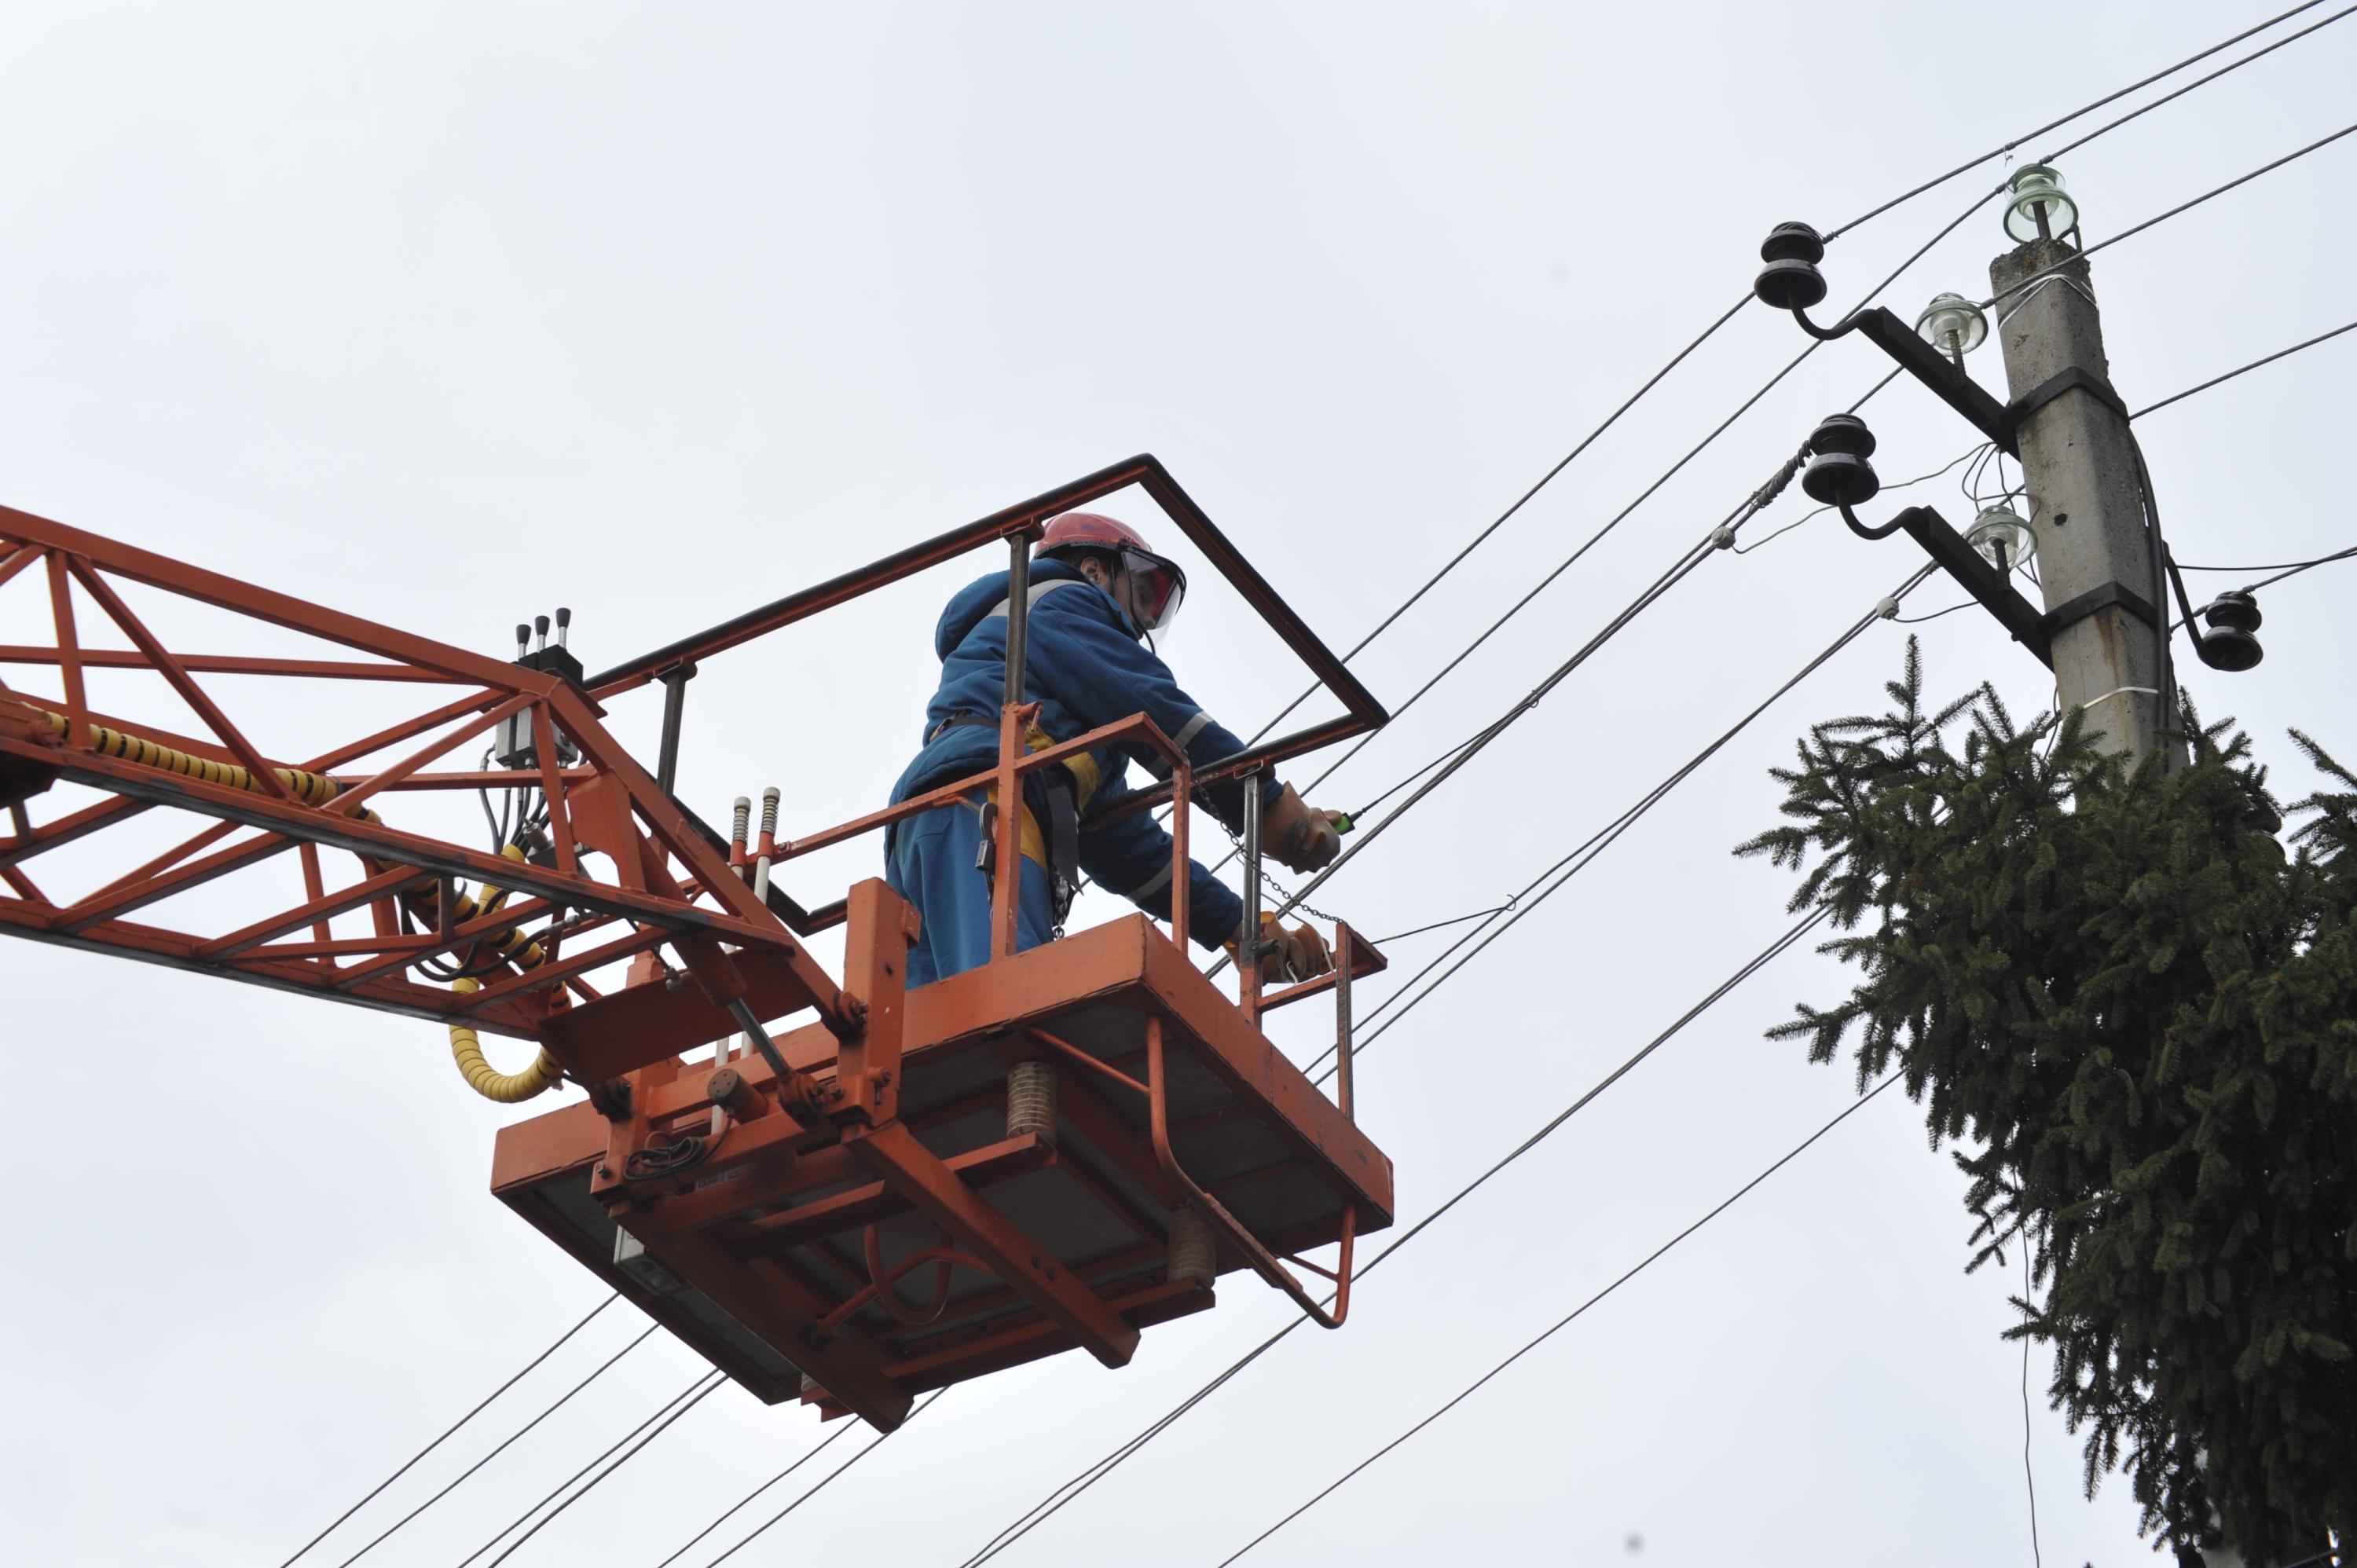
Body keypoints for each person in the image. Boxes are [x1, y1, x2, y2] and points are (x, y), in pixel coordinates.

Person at [883, 510, 1348, 988]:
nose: (1145, 617)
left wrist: (1239, 928)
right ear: (1094, 571)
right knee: (1001, 1007)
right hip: (984, 806)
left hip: (953, 812)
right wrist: (1269, 809)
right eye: (1142, 593)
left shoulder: (1064, 739)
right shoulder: (1060, 603)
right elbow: (1158, 711)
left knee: (929, 1037)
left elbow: (1129, 849)